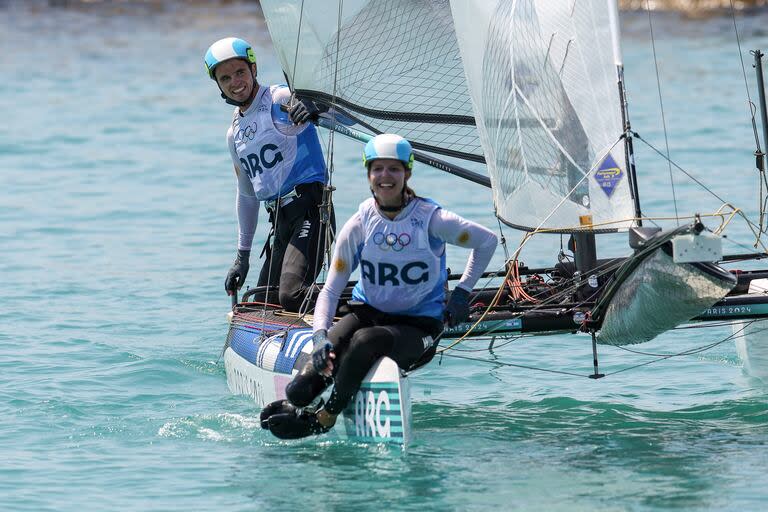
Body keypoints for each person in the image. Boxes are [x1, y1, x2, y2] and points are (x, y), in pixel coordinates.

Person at [260, 134, 498, 439]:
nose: (385, 177)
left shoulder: (432, 220)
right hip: (368, 313)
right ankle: (300, 404)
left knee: (364, 341)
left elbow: (486, 241)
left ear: (407, 173)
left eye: (394, 169)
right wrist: (320, 338)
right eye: (377, 169)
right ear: (368, 173)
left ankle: (326, 417)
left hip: (419, 326)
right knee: (299, 390)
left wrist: (463, 293)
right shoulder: (359, 225)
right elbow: (331, 291)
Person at [204, 37, 335, 311]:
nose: (235, 82)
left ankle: (365, 308)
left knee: (291, 296)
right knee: (261, 304)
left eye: (240, 72)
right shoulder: (234, 135)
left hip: (311, 209)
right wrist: (243, 256)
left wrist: (317, 107)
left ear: (253, 69)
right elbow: (247, 195)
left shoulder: (280, 98)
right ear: (218, 85)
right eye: (225, 77)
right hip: (281, 220)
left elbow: (340, 115)